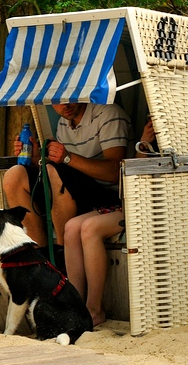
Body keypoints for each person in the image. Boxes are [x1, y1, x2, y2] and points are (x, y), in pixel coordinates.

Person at [2, 102, 130, 261]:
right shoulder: (63, 123)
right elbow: (64, 169)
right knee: (14, 176)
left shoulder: (109, 114)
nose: (65, 104)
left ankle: (62, 258)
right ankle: (38, 259)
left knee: (54, 171)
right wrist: (37, 159)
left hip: (109, 195)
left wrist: (68, 158)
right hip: (76, 193)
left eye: (69, 96)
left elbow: (115, 172)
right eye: (57, 99)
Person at [63, 117, 157, 326]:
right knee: (71, 227)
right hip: (126, 201)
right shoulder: (148, 138)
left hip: (145, 206)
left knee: (90, 228)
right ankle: (75, 306)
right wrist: (144, 142)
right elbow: (133, 173)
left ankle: (94, 309)